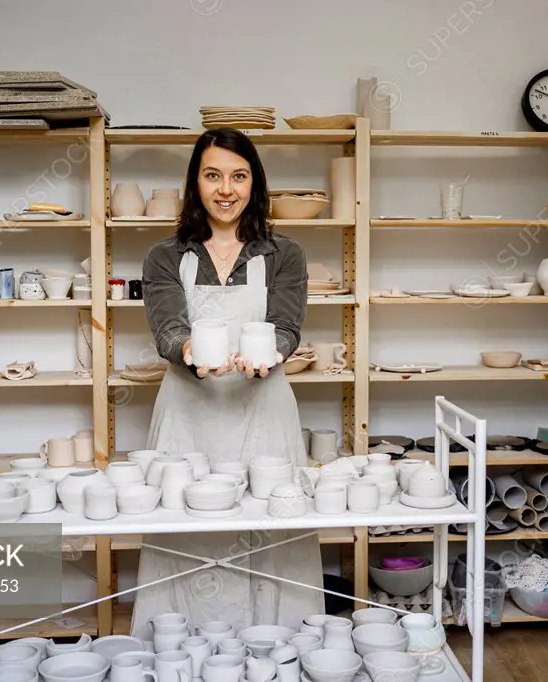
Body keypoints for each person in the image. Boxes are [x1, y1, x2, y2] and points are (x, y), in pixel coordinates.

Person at [131, 127, 324, 636]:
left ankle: (278, 646)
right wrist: (189, 349)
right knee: (184, 526)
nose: (225, 189)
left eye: (238, 176)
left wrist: (274, 353)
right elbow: (167, 328)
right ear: (195, 183)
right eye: (212, 175)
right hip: (187, 414)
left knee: (268, 522)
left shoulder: (285, 254)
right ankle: (178, 648)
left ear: (254, 184)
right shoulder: (164, 256)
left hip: (262, 407)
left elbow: (286, 327)